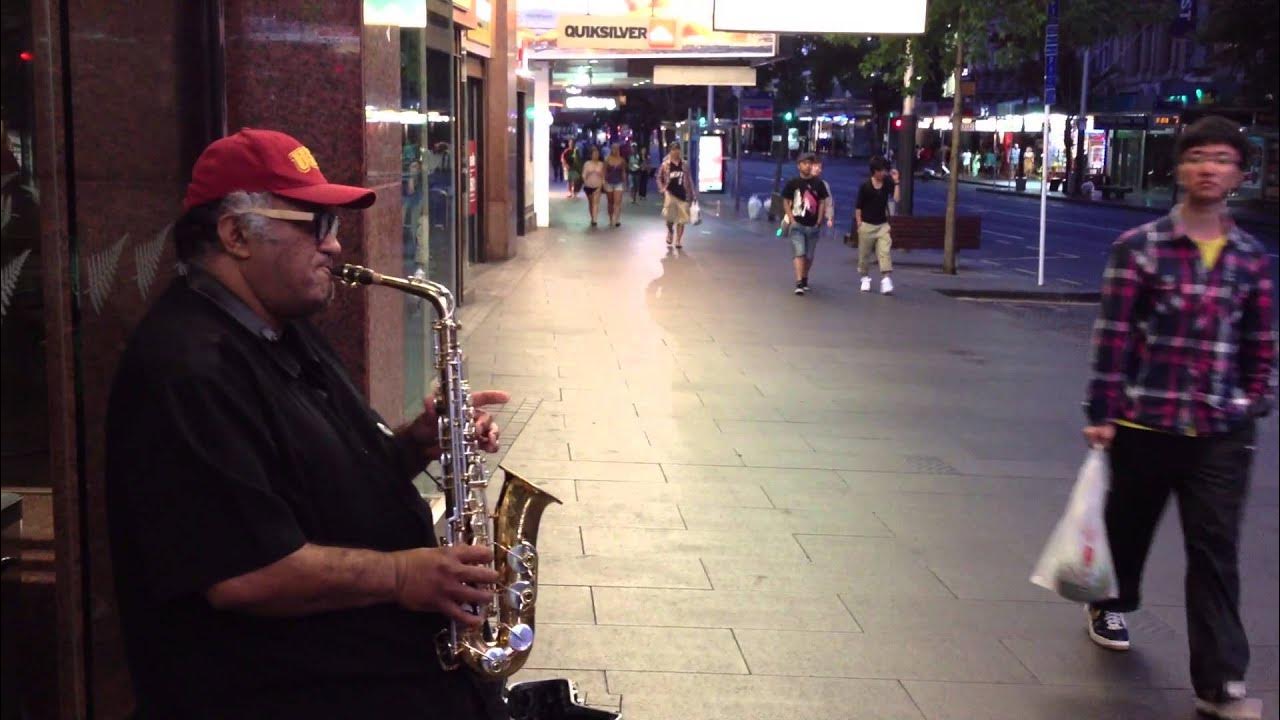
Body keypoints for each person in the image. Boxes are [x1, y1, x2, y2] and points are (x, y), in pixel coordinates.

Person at [105, 128, 513, 719]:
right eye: (315, 224)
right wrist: (403, 575)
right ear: (236, 234)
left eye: (335, 227)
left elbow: (317, 480)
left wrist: (415, 444)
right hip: (279, 693)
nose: (336, 247)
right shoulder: (187, 368)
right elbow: (243, 573)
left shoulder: (279, 326)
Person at [1081, 116, 1276, 720]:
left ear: (1240, 174)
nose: (1209, 168)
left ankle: (1220, 686)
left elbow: (1261, 345)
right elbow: (1113, 337)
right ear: (1180, 168)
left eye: (1222, 158)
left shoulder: (1251, 258)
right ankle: (1109, 600)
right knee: (1128, 532)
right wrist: (1103, 412)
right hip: (1145, 422)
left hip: (1221, 432)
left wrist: (1250, 402)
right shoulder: (1138, 247)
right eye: (1197, 156)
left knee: (1215, 552)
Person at [779, 152, 831, 295]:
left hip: (813, 225)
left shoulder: (818, 183)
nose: (808, 166)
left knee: (809, 255)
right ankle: (799, 282)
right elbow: (785, 201)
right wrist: (792, 219)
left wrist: (819, 220)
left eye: (810, 163)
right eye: (805, 163)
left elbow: (822, 202)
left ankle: (805, 277)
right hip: (798, 225)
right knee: (799, 252)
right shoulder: (793, 183)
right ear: (799, 166)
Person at [853, 155, 900, 294]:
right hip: (866, 224)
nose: (884, 173)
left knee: (884, 252)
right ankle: (865, 278)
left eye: (885, 170)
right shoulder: (865, 186)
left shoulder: (887, 183)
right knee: (864, 255)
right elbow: (858, 206)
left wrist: (896, 182)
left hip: (882, 225)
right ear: (874, 171)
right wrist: (859, 223)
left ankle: (886, 280)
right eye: (881, 170)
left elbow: (896, 199)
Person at [657, 144, 697, 249]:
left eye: (678, 150)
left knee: (682, 219)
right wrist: (663, 189)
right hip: (670, 193)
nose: (676, 152)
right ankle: (670, 231)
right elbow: (659, 177)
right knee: (669, 217)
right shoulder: (665, 164)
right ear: (670, 151)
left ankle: (678, 241)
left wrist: (693, 193)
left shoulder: (684, 165)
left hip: (683, 193)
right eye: (674, 150)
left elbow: (689, 179)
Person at [603, 143, 628, 227]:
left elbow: (623, 172)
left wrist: (625, 183)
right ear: (611, 149)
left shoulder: (622, 160)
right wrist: (604, 182)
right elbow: (604, 171)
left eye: (617, 148)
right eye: (614, 148)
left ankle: (617, 220)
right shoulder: (607, 159)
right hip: (609, 182)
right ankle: (610, 219)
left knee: (617, 202)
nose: (615, 150)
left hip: (619, 183)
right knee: (610, 202)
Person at [580, 145, 605, 227]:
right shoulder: (587, 164)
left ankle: (595, 220)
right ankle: (592, 217)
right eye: (594, 154)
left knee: (596, 203)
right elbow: (583, 174)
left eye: (597, 154)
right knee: (591, 203)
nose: (596, 156)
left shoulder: (601, 164)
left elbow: (603, 176)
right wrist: (586, 178)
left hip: (597, 186)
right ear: (591, 155)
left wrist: (602, 184)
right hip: (588, 186)